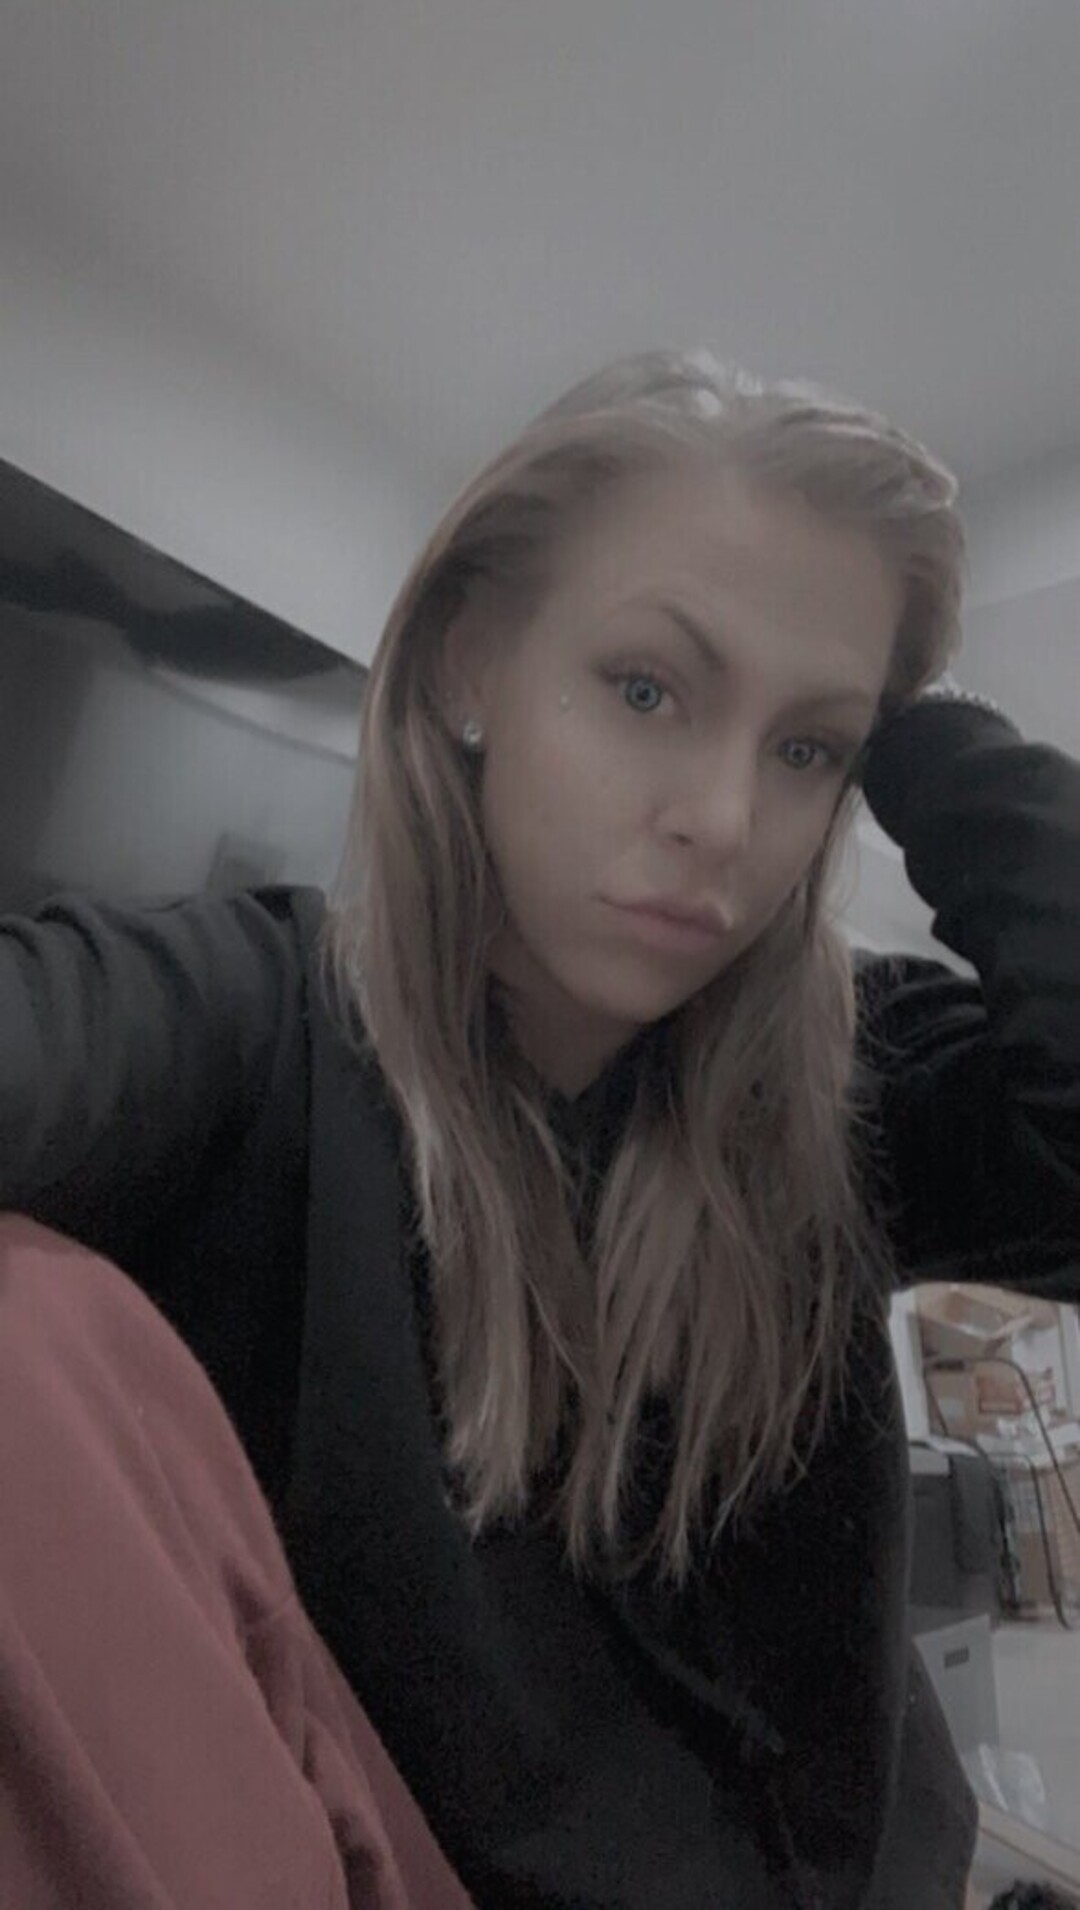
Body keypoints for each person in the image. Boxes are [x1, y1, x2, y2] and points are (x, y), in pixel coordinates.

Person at [2, 350, 1078, 1909]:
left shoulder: (849, 1076)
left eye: (805, 749)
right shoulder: (255, 1016)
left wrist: (922, 722)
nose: (724, 819)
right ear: (469, 666)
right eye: (646, 689)